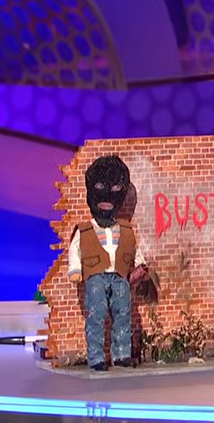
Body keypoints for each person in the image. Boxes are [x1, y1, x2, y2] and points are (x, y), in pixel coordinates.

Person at [67, 155, 151, 371]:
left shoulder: (125, 229)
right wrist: (75, 269)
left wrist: (141, 266)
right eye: (100, 188)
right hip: (95, 276)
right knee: (96, 314)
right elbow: (75, 250)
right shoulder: (85, 229)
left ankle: (122, 354)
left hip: (120, 276)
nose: (107, 197)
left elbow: (133, 249)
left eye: (115, 190)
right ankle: (96, 357)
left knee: (123, 313)